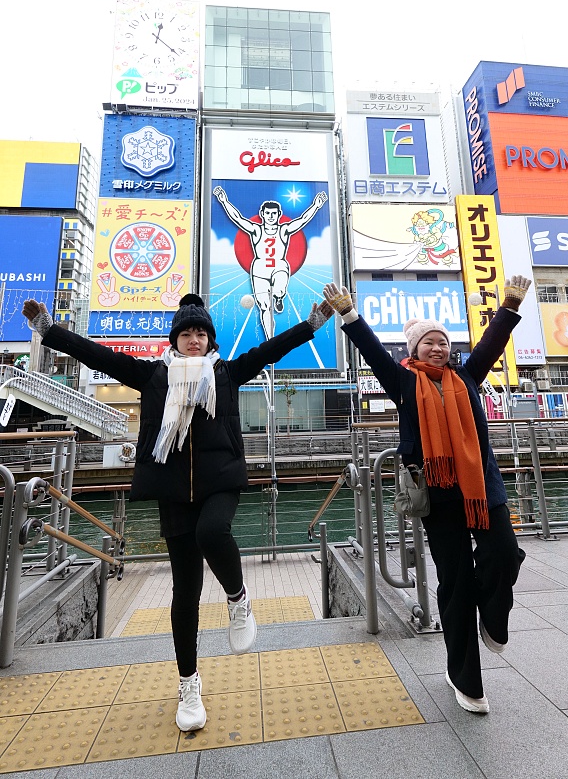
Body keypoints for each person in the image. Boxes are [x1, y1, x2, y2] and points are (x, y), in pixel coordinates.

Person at [22, 293, 333, 732]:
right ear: (175, 338)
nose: (193, 339)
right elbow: (98, 354)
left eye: (201, 333)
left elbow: (270, 350)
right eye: (186, 333)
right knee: (184, 593)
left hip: (221, 481)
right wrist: (49, 331)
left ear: (209, 340)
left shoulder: (226, 374)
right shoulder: (153, 377)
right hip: (173, 491)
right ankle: (188, 683)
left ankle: (239, 600)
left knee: (212, 532)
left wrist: (313, 323)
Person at [323, 277, 530, 715]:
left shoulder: (467, 377)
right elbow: (373, 351)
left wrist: (510, 305)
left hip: (481, 490)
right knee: (454, 586)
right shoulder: (403, 383)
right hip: (437, 497)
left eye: (442, 342)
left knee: (505, 553)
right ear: (413, 351)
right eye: (428, 343)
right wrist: (349, 314)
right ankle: (467, 681)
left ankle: (493, 619)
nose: (437, 348)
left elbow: (493, 341)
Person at [213, 186, 328, 338]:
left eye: (274, 213)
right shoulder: (256, 230)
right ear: (262, 214)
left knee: (279, 289)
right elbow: (238, 218)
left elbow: (302, 220)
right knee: (265, 307)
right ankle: (270, 339)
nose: (271, 216)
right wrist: (224, 201)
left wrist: (316, 206)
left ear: (279, 214)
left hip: (279, 266)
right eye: (268, 213)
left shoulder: (284, 230)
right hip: (259, 269)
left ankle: (279, 297)